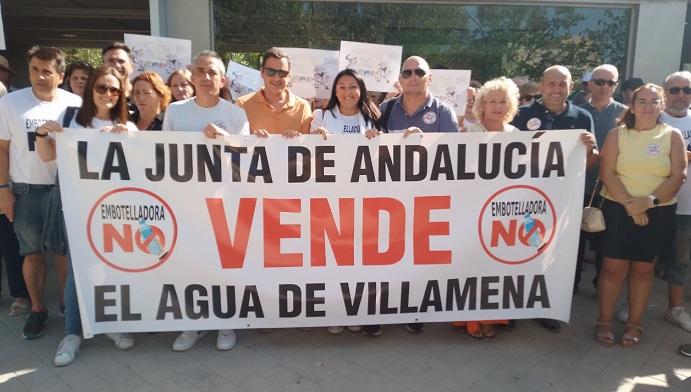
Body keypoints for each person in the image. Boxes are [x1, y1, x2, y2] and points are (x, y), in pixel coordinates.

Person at [34, 65, 137, 365]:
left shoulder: (126, 125)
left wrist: (126, 137)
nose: (108, 94)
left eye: (114, 90)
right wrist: (43, 134)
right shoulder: (69, 120)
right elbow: (47, 156)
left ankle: (112, 326)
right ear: (90, 88)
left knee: (114, 267)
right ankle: (72, 333)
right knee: (79, 270)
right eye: (101, 87)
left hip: (117, 210)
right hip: (78, 208)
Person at [366, 56, 458, 336]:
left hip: (425, 200)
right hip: (389, 199)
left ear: (429, 78)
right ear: (400, 80)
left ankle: (413, 308)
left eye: (420, 71)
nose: (413, 76)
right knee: (382, 257)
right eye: (407, 72)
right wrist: (370, 138)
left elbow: (455, 158)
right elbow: (370, 152)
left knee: (417, 259)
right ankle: (378, 310)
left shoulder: (444, 113)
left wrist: (425, 145)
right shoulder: (385, 108)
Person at [163, 50, 248, 352]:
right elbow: (164, 159)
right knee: (190, 265)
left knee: (224, 266)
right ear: (192, 75)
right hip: (187, 205)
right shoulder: (175, 112)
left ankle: (226, 323)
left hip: (224, 203)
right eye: (200, 71)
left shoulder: (236, 114)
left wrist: (225, 138)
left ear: (222, 79)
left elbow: (246, 161)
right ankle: (192, 324)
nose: (206, 77)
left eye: (212, 72)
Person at [0, 46, 82, 340]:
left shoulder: (75, 103)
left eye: (47, 70)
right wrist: (3, 189)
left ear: (60, 75)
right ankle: (37, 309)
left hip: (65, 188)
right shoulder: (10, 103)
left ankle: (66, 304)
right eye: (35, 69)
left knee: (63, 254)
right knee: (32, 254)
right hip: (26, 190)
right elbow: (2, 149)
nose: (40, 76)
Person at [595, 83, 686, 347]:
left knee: (644, 270)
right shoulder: (616, 134)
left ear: (662, 106)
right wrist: (631, 205)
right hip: (618, 209)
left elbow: (678, 175)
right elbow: (607, 173)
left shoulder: (672, 135)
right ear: (632, 106)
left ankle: (635, 324)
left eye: (653, 101)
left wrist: (649, 201)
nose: (647, 106)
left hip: (658, 211)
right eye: (641, 101)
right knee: (613, 269)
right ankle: (604, 320)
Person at [512, 65, 598, 333]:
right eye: (552, 83)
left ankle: (545, 307)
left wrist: (591, 148)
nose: (557, 89)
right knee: (519, 250)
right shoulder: (522, 114)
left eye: (563, 84)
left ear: (570, 87)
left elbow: (592, 161)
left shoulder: (582, 116)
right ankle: (512, 305)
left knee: (552, 254)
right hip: (523, 200)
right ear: (541, 85)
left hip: (560, 202)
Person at [456, 76, 519, 338]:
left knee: (497, 267)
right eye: (491, 101)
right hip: (473, 210)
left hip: (503, 212)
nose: (497, 106)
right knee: (472, 266)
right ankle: (471, 320)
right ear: (481, 105)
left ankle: (491, 316)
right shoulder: (469, 134)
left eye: (502, 101)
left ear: (510, 106)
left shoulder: (517, 135)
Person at [578, 64, 627, 290]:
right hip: (575, 187)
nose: (605, 86)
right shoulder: (575, 109)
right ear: (589, 83)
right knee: (574, 243)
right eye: (599, 81)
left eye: (611, 82)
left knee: (605, 244)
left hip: (610, 189)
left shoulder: (627, 114)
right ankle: (571, 284)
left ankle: (601, 286)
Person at [654, 71, 691, 332]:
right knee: (645, 257)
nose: (681, 95)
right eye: (674, 89)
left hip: (688, 205)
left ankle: (675, 309)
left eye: (687, 90)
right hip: (655, 201)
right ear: (665, 92)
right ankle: (633, 302)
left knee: (681, 259)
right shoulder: (653, 119)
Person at [236, 47, 311, 137]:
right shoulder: (243, 104)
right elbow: (235, 144)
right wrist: (251, 139)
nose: (276, 78)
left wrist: (298, 140)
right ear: (262, 72)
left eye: (282, 73)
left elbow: (310, 146)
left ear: (289, 76)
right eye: (270, 71)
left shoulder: (303, 107)